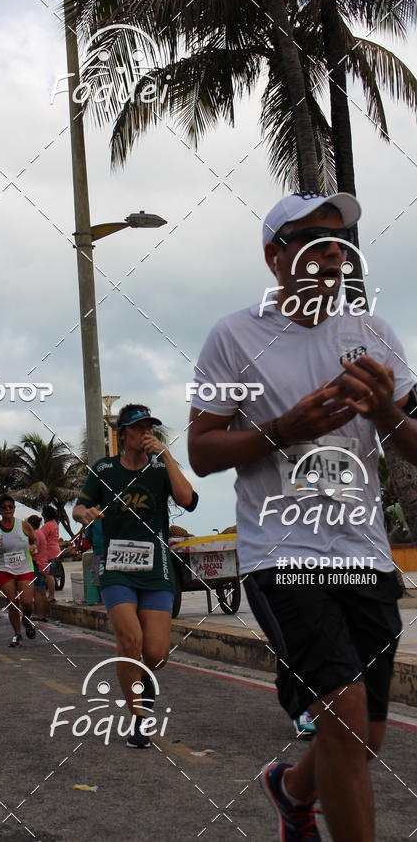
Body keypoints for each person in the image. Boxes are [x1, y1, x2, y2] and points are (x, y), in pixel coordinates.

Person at [187, 191, 417, 841]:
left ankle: (291, 791)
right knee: (343, 721)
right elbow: (202, 451)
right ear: (274, 256)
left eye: (340, 245)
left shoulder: (374, 335)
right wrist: (283, 428)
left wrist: (386, 414)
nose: (332, 257)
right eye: (314, 243)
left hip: (364, 555)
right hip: (281, 555)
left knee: (365, 738)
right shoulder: (235, 336)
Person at [73, 403, 198, 749]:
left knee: (155, 654)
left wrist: (169, 458)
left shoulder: (160, 470)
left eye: (149, 427)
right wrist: (86, 513)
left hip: (155, 570)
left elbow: (189, 501)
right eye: (138, 427)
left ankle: (142, 677)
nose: (145, 432)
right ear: (122, 434)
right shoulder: (104, 469)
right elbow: (78, 507)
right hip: (116, 568)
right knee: (130, 641)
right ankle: (139, 719)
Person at [0, 494, 37, 646]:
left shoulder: (23, 525)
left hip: (25, 568)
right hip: (4, 569)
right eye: (4, 507)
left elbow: (34, 541)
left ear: (14, 509)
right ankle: (17, 634)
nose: (7, 509)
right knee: (13, 602)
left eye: (10, 507)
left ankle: (26, 620)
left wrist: (33, 548)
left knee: (27, 602)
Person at [29, 514, 48, 621]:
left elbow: (33, 551)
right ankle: (43, 614)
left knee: (37, 592)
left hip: (37, 564)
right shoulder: (40, 533)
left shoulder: (35, 534)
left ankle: (40, 615)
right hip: (43, 564)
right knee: (42, 592)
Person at [40, 506, 61, 603]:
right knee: (50, 574)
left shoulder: (48, 525)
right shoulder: (54, 523)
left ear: (46, 514)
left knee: (49, 575)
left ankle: (51, 596)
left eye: (43, 513)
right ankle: (51, 595)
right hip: (55, 551)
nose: (41, 514)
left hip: (49, 552)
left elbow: (40, 537)